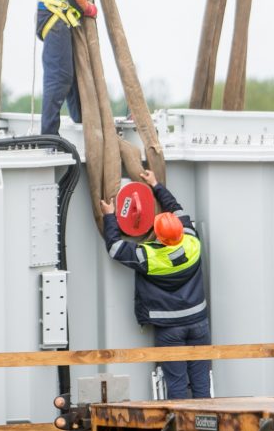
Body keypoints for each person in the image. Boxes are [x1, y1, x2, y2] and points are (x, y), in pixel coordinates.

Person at [99, 170, 210, 399]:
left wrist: (110, 215)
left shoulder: (148, 257)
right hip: (199, 323)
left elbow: (115, 248)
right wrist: (156, 184)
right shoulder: (192, 241)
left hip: (170, 329)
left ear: (158, 236)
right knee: (200, 382)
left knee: (177, 383)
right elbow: (176, 209)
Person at [34, 0, 106, 136]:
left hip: (52, 16)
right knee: (59, 77)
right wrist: (88, 8)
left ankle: (80, 118)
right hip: (56, 19)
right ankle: (49, 135)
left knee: (71, 73)